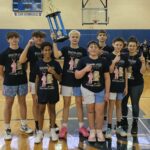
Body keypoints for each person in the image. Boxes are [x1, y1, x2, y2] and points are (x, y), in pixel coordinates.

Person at [52, 30, 89, 139]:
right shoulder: (65, 49)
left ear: (79, 38)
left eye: (76, 37)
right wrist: (54, 42)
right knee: (66, 104)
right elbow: (56, 55)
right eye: (72, 36)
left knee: (79, 104)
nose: (74, 38)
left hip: (78, 81)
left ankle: (82, 127)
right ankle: (64, 127)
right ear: (69, 38)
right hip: (67, 81)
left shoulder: (83, 51)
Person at [75, 41, 110, 142]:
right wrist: (85, 69)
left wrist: (107, 92)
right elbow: (77, 76)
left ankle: (99, 131)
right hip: (87, 89)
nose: (94, 48)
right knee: (90, 111)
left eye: (95, 47)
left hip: (100, 90)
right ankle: (92, 131)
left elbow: (107, 78)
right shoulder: (83, 60)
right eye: (91, 47)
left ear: (99, 50)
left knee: (100, 112)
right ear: (88, 49)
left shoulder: (103, 61)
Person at [0, 32, 33, 140]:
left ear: (18, 39)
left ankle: (23, 125)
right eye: (11, 38)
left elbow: (26, 65)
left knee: (22, 102)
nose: (14, 40)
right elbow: (0, 69)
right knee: (8, 104)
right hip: (9, 82)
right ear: (8, 40)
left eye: (15, 38)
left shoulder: (23, 51)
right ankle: (7, 128)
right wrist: (4, 78)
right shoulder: (4, 53)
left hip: (22, 81)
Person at [34, 42, 62, 143]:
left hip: (53, 91)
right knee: (41, 111)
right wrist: (36, 93)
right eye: (45, 50)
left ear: (51, 51)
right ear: (42, 51)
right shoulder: (38, 63)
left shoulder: (56, 63)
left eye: (49, 50)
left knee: (52, 110)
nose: (47, 52)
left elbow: (60, 79)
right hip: (42, 91)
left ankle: (52, 130)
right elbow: (37, 79)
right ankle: (40, 132)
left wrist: (54, 72)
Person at [19, 31, 46, 132]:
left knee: (45, 102)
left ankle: (50, 123)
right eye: (36, 37)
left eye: (41, 37)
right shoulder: (30, 49)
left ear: (44, 39)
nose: (39, 39)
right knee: (36, 102)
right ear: (33, 38)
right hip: (34, 79)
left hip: (47, 79)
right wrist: (27, 45)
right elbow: (21, 61)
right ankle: (37, 124)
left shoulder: (47, 48)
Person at [121, 37, 146, 134]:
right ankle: (124, 121)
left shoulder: (140, 57)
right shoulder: (124, 56)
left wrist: (143, 62)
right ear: (127, 46)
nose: (131, 47)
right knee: (123, 103)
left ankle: (135, 123)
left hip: (137, 84)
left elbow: (142, 72)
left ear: (137, 47)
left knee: (135, 104)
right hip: (125, 84)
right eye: (130, 46)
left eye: (133, 46)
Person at [105, 37, 128, 139]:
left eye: (120, 45)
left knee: (119, 107)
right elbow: (109, 71)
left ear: (122, 46)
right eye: (117, 44)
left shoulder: (124, 57)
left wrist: (126, 86)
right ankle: (109, 128)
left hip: (121, 86)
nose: (118, 46)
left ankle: (118, 127)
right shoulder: (109, 56)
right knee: (111, 108)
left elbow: (126, 72)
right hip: (112, 86)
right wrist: (114, 62)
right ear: (113, 44)